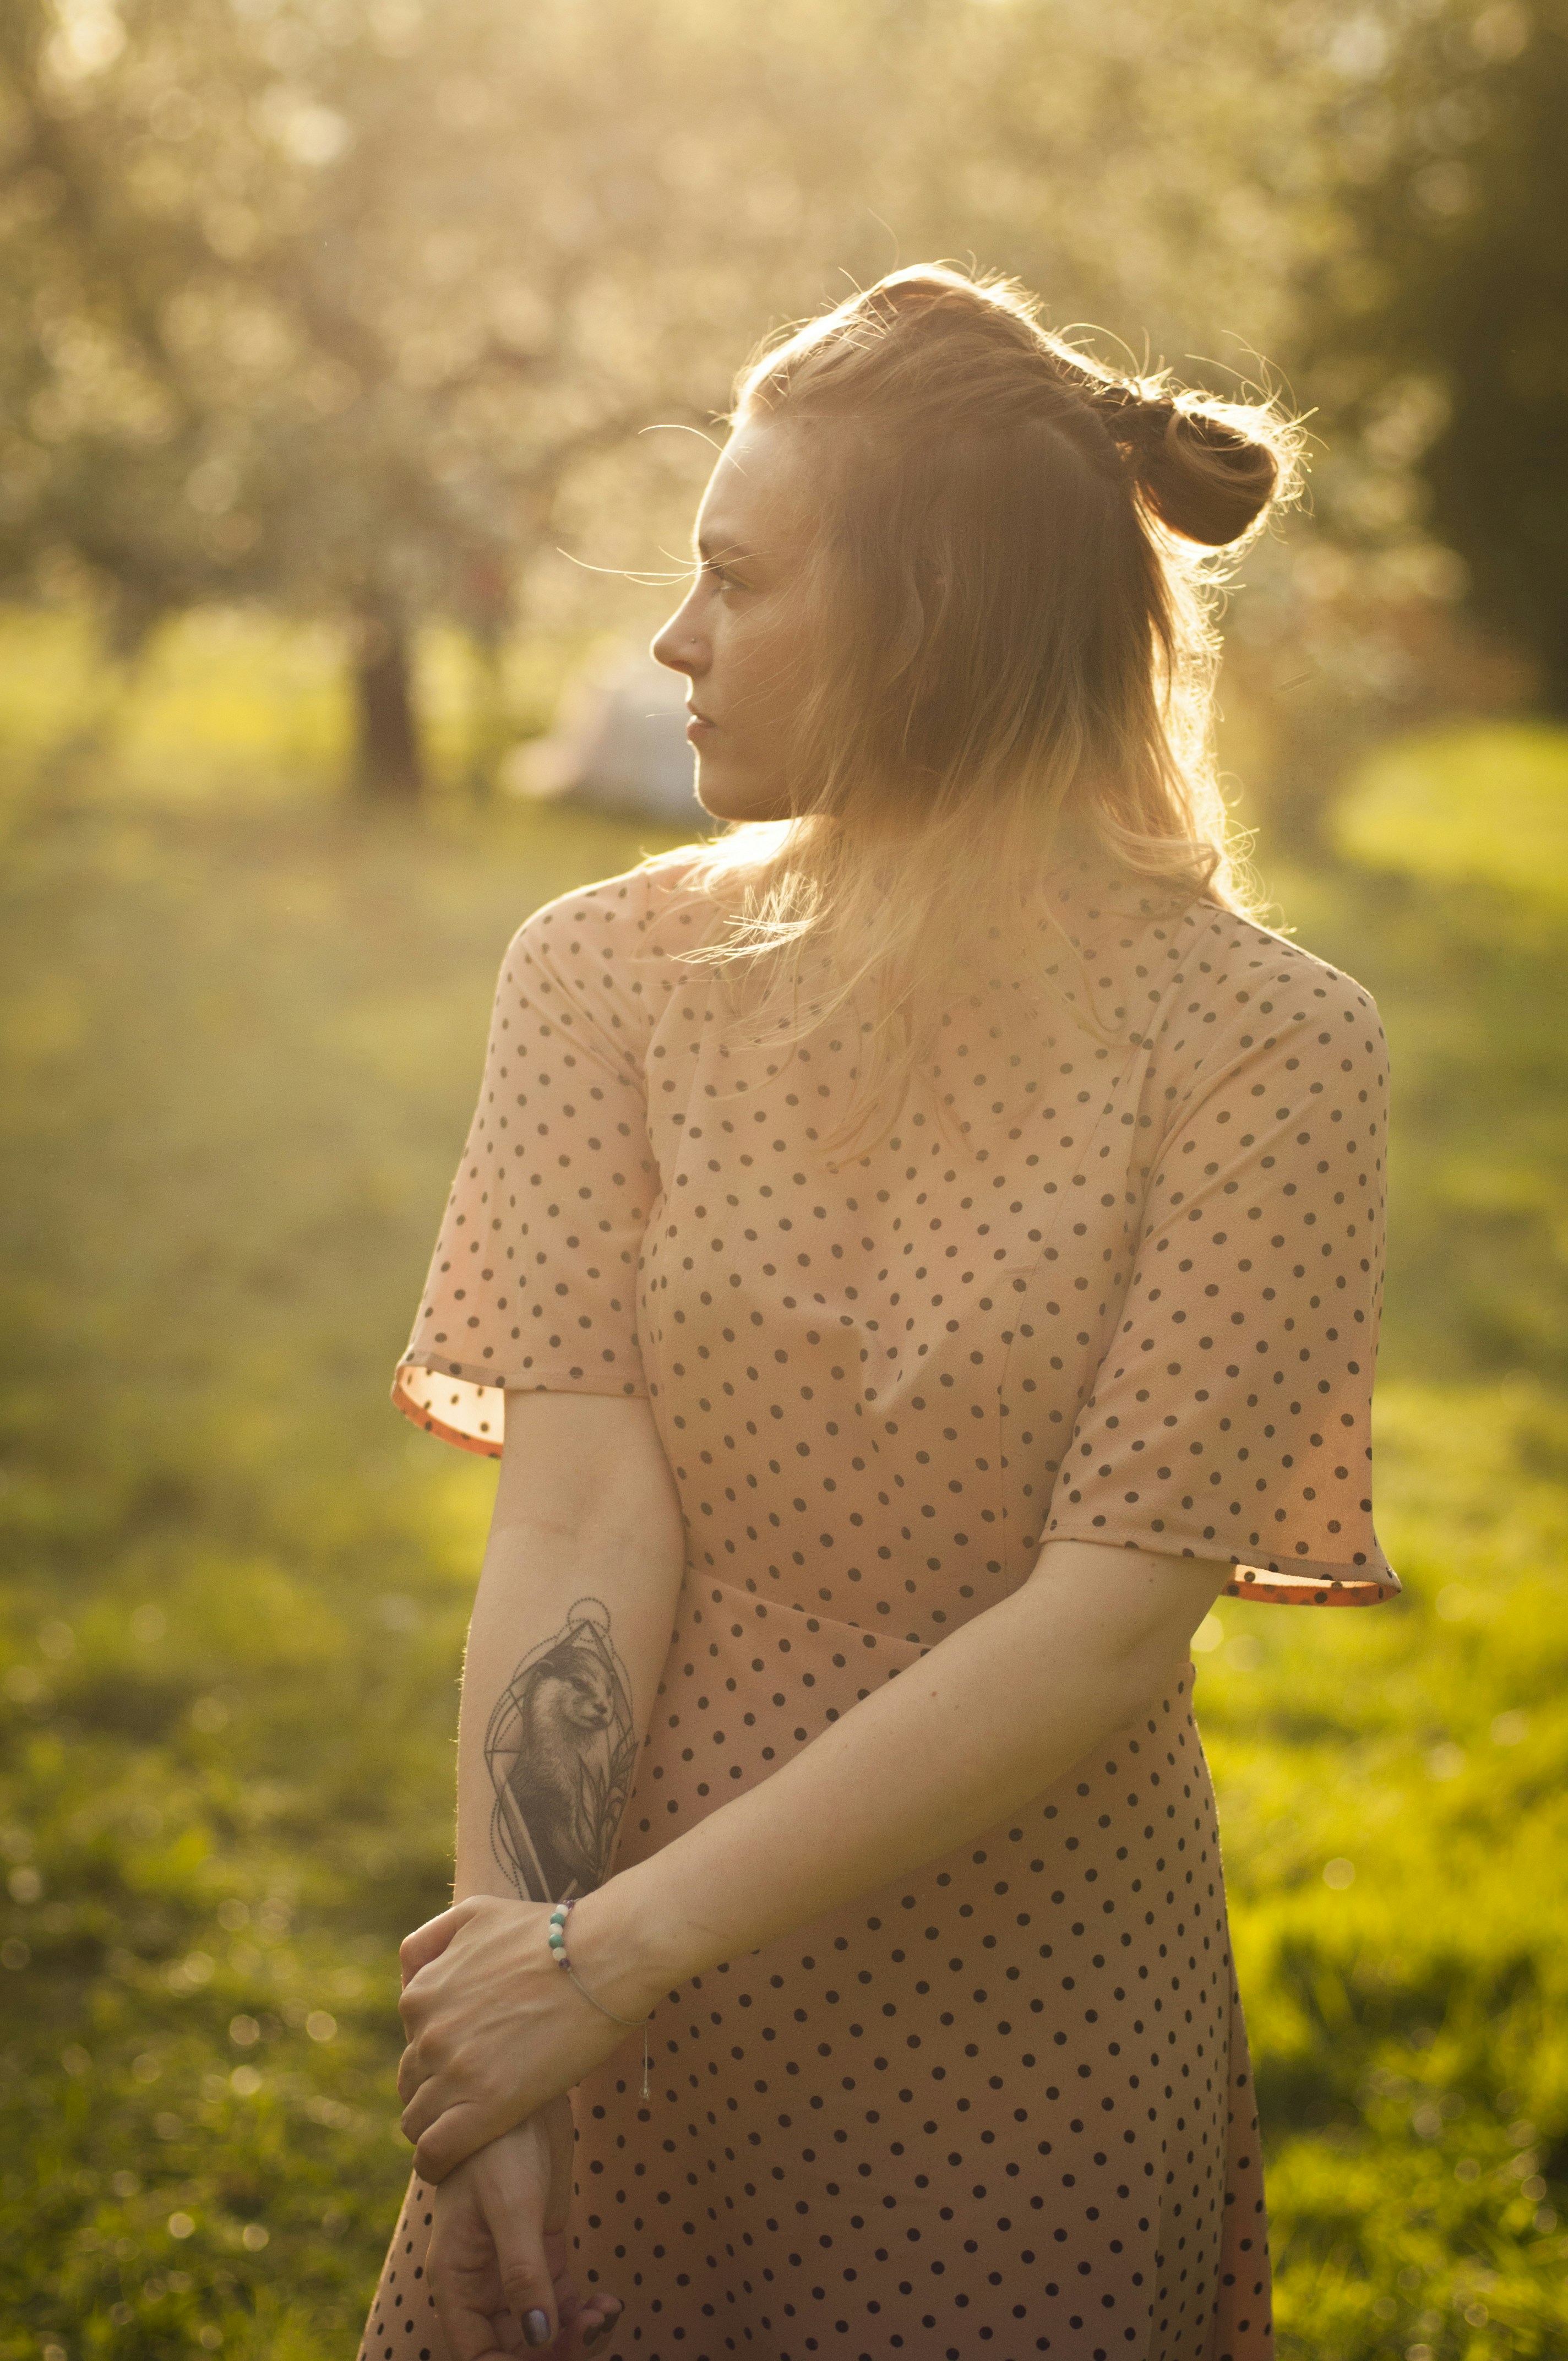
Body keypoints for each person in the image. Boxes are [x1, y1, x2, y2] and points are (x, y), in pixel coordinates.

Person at [357, 265, 1397, 2361]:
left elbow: (1108, 1623)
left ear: (934, 621)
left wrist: (612, 1954)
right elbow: (570, 1519)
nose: (673, 639)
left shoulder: (1270, 1051)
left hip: (1023, 2001)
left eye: (735, 577)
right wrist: (520, 1979)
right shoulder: (602, 976)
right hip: (610, 1952)